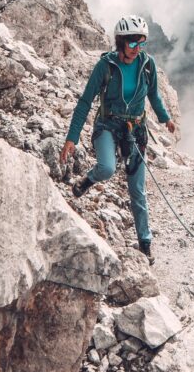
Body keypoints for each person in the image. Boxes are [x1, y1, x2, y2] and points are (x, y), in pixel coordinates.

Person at [60, 15, 176, 262]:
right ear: (121, 42)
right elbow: (85, 101)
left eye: (142, 43)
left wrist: (165, 118)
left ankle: (145, 242)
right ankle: (88, 180)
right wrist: (72, 137)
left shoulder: (147, 64)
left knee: (137, 190)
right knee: (107, 168)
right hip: (108, 125)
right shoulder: (106, 66)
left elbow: (154, 95)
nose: (137, 49)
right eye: (133, 44)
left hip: (135, 130)